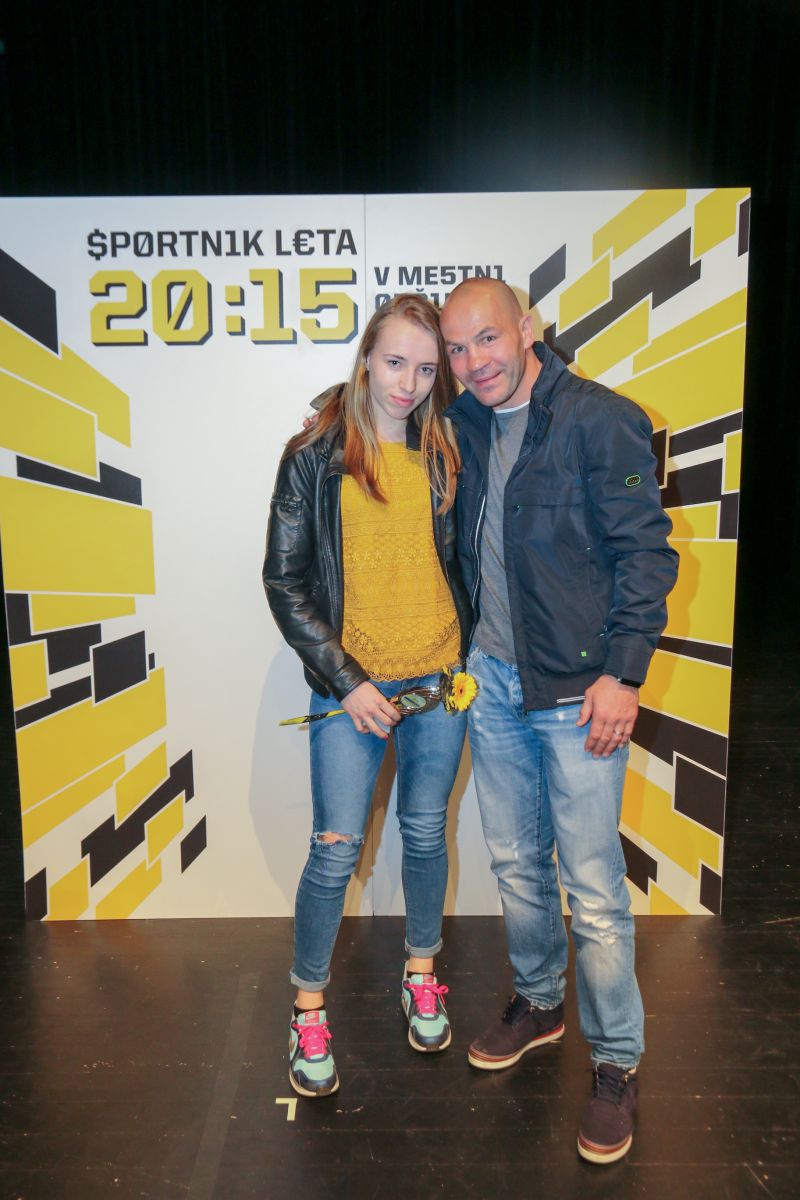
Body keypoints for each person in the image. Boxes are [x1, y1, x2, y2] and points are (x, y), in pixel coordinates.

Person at [439, 277, 679, 1164]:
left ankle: (616, 1061)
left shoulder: (599, 419)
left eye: (488, 339)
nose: (474, 362)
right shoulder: (463, 423)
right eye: (457, 349)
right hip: (492, 680)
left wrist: (624, 673)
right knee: (514, 861)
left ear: (528, 329)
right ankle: (540, 1004)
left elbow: (645, 555)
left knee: (593, 888)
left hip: (581, 690)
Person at [263, 294, 471, 1100]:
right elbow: (284, 582)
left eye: (425, 368)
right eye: (394, 362)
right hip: (351, 689)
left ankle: (422, 975)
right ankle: (307, 1010)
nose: (408, 383)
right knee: (336, 848)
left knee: (424, 832)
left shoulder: (447, 450)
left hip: (438, 682)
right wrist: (347, 684)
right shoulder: (314, 455)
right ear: (365, 360)